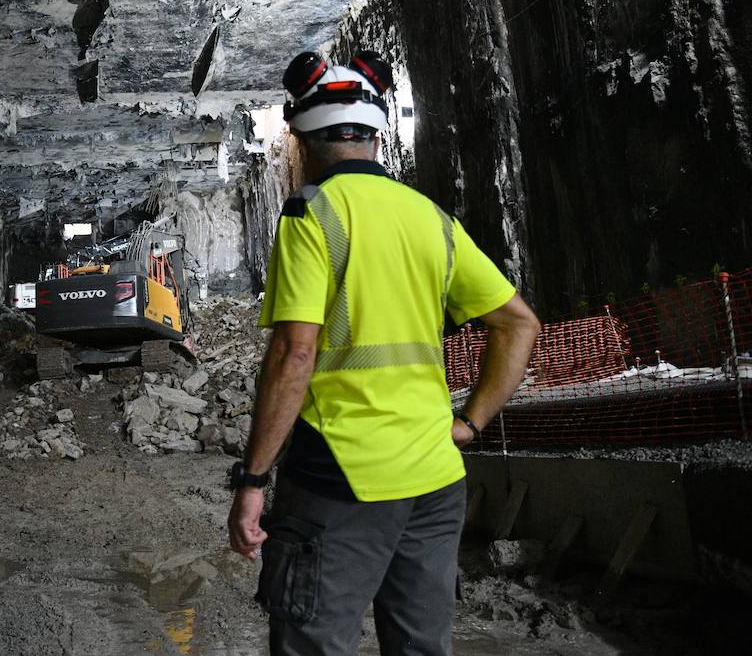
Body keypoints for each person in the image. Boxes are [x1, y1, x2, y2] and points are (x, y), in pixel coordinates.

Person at [225, 50, 541, 656]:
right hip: (436, 479)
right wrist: (468, 424)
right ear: (376, 133)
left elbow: (295, 354)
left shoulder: (311, 212)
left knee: (315, 640)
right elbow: (517, 325)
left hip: (341, 478)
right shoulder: (433, 219)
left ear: (303, 139)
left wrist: (254, 480)